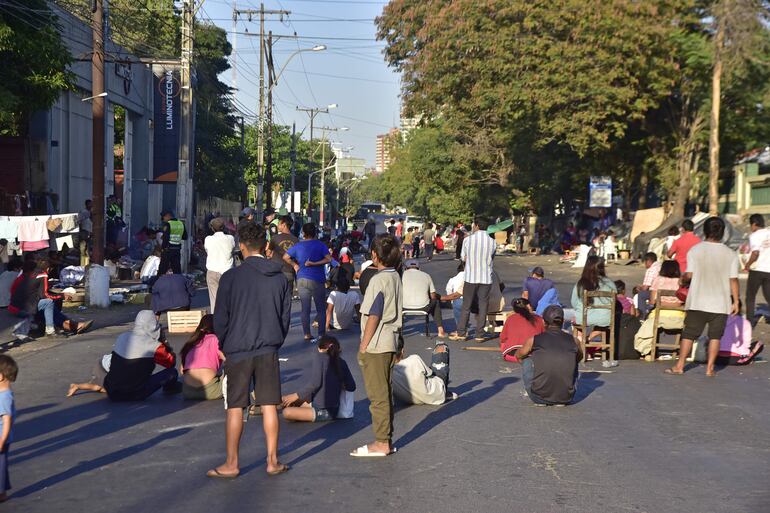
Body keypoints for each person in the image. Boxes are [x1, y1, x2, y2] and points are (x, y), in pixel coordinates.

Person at [210, 222, 290, 478]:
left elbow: (220, 317)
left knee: (235, 406)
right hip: (268, 347)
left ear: (241, 247)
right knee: (268, 405)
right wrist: (275, 341)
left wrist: (222, 344)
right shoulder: (280, 277)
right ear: (265, 246)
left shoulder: (231, 277)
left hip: (237, 348)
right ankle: (272, 461)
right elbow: (284, 317)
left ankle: (232, 463)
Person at [666, 216, 739, 377]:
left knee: (689, 334)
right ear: (722, 232)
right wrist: (736, 301)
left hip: (698, 301)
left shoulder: (696, 250)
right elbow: (733, 280)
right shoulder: (731, 254)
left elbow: (689, 275)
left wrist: (682, 279)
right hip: (721, 303)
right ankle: (710, 368)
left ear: (705, 231)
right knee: (715, 336)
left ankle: (679, 366)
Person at [351, 233, 402, 458]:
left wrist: (363, 345)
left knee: (377, 396)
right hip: (390, 340)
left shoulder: (378, 280)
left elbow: (374, 314)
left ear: (374, 255)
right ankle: (386, 439)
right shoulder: (395, 277)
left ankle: (381, 442)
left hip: (377, 344)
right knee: (385, 392)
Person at [103, 310, 181, 401]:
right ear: (153, 325)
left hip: (112, 392)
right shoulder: (154, 345)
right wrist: (164, 342)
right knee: (172, 372)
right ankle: (169, 389)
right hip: (135, 393)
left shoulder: (122, 337)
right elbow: (170, 363)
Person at [515, 305, 581, 406]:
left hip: (537, 397)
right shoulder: (574, 341)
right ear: (563, 322)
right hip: (566, 397)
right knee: (573, 361)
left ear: (543, 322)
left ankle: (541, 391)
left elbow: (519, 355)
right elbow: (579, 357)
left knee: (527, 360)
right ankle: (560, 395)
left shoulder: (534, 339)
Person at [9, 259, 92, 337]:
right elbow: (45, 295)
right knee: (49, 303)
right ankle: (56, 329)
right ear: (47, 269)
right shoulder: (42, 275)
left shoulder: (22, 277)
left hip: (14, 307)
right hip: (23, 308)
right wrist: (62, 296)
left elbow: (17, 292)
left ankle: (73, 325)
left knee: (49, 307)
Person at [281, 335, 356, 422]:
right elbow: (352, 386)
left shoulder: (320, 358)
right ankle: (271, 408)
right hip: (331, 408)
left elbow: (315, 383)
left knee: (287, 406)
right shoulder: (342, 362)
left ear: (321, 348)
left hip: (324, 410)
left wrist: (295, 395)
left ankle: (266, 408)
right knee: (287, 408)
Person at [450, 216, 496, 342]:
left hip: (471, 277)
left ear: (476, 226)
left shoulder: (468, 240)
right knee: (483, 306)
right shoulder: (492, 242)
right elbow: (492, 259)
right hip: (486, 278)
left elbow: (463, 258)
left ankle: (462, 333)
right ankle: (479, 334)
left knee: (466, 305)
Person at [284, 223, 331, 342]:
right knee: (320, 308)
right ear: (315, 233)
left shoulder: (298, 246)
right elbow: (328, 259)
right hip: (317, 280)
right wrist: (315, 264)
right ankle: (321, 334)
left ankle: (307, 334)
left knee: (305, 308)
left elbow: (285, 257)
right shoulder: (320, 245)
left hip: (302, 279)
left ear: (303, 233)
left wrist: (295, 265)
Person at [633, 260, 685, 357]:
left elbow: (652, 302)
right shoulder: (681, 281)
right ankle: (682, 352)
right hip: (679, 318)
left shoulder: (658, 280)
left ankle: (649, 351)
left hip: (659, 317)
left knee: (648, 317)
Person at [392, 338, 453, 405]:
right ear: (402, 351)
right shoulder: (414, 359)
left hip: (411, 400)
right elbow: (430, 373)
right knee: (442, 346)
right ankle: (444, 391)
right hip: (436, 395)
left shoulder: (387, 371)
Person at [570, 255, 617, 342]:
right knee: (602, 322)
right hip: (605, 319)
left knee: (575, 321)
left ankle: (581, 343)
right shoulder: (610, 284)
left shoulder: (580, 283)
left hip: (583, 318)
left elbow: (574, 303)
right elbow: (614, 302)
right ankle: (589, 338)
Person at [179, 314, 225, 400]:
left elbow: (182, 371)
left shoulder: (190, 342)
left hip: (188, 391)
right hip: (212, 391)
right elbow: (229, 361)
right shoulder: (216, 339)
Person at [402, 259, 447, 338]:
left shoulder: (401, 275)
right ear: (419, 268)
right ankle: (440, 330)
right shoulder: (426, 275)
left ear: (406, 268)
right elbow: (433, 296)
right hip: (423, 307)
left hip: (404, 307)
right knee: (435, 301)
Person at [204, 217, 235, 314]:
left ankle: (216, 321)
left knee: (215, 300)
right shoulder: (230, 238)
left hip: (213, 271)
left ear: (212, 228)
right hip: (227, 271)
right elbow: (233, 250)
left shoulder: (208, 239)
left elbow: (207, 250)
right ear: (224, 227)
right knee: (228, 298)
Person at [744, 213, 770, 326]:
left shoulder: (754, 235)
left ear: (754, 224)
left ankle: (749, 322)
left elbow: (755, 253)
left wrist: (748, 264)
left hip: (757, 269)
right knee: (768, 295)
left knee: (750, 296)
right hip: (769, 270)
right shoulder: (769, 233)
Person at [500, 298, 545, 362]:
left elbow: (503, 338)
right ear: (528, 306)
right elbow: (544, 336)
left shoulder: (510, 319)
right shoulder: (538, 319)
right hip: (532, 354)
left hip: (511, 354)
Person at [0, 355, 17, 503]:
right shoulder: (4, 394)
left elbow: (7, 420)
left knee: (0, 466)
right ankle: (2, 491)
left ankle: (1, 493)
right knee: (1, 465)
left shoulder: (4, 397)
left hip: (1, 438)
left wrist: (2, 441)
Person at [269, 215, 299, 295]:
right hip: (289, 272)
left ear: (284, 225)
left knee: (276, 297)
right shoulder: (296, 240)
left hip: (276, 272)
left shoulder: (275, 238)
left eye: (279, 223)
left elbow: (268, 253)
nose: (277, 225)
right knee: (287, 299)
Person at [158, 210, 187, 275]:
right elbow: (185, 237)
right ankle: (178, 283)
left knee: (162, 269)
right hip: (177, 250)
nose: (163, 220)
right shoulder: (181, 223)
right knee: (176, 269)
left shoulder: (168, 224)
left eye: (163, 217)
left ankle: (158, 283)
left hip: (168, 250)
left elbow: (165, 238)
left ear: (168, 216)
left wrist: (163, 249)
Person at [636, 252, 662, 319]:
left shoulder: (651, 270)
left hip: (655, 293)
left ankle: (642, 316)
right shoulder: (661, 265)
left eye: (645, 262)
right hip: (664, 291)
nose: (645, 264)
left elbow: (645, 287)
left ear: (648, 261)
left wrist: (639, 287)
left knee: (641, 294)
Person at [441, 262, 465, 328]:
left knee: (457, 308)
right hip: (475, 300)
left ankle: (460, 329)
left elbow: (448, 290)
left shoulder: (453, 279)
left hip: (459, 300)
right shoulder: (471, 278)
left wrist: (451, 301)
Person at [78, 199, 92, 266]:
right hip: (84, 231)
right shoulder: (83, 212)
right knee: (83, 248)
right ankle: (82, 263)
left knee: (89, 248)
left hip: (90, 232)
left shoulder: (91, 212)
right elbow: (79, 221)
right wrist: (81, 231)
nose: (91, 205)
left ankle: (88, 262)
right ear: (86, 204)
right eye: (89, 204)